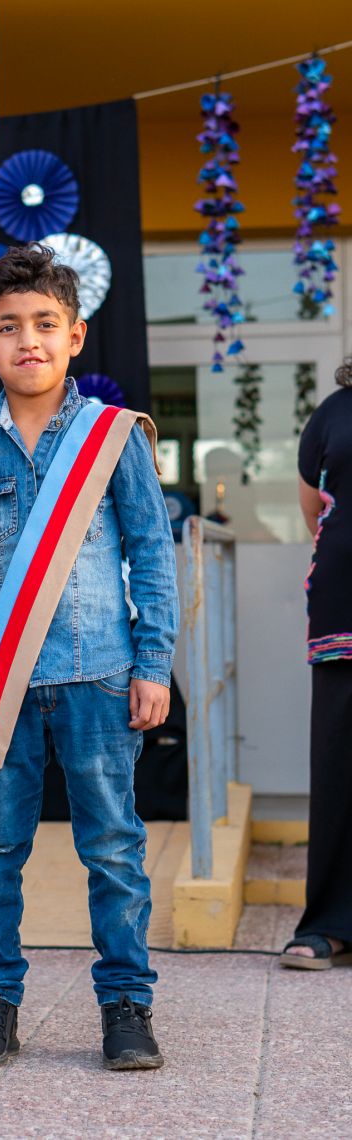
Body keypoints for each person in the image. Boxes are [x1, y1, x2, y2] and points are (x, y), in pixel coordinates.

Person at [0, 244, 178, 1069]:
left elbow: (151, 550)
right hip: (1, 684)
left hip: (101, 672)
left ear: (76, 335)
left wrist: (154, 661)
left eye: (45, 325)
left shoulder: (111, 436)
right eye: (7, 328)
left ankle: (126, 1007)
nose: (28, 340)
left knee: (113, 848)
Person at [280, 356, 352, 970]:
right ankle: (327, 925)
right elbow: (313, 509)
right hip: (344, 610)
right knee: (338, 767)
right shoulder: (334, 410)